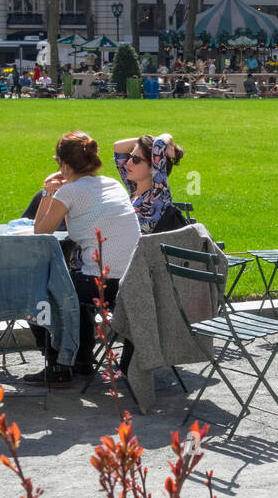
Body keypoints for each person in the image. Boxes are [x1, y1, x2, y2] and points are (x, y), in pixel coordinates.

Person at [28, 131, 142, 386]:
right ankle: (80, 361)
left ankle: (59, 363)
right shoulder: (113, 184)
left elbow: (40, 232)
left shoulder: (69, 193)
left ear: (64, 165)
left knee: (37, 294)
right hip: (133, 281)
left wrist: (48, 192)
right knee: (76, 289)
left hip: (104, 284)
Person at [113, 133, 187, 233]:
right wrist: (146, 142)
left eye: (136, 159)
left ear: (153, 167)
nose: (128, 163)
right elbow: (118, 147)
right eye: (131, 156)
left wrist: (168, 142)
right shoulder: (134, 187)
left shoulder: (157, 195)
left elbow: (159, 144)